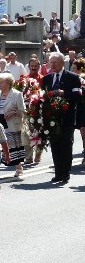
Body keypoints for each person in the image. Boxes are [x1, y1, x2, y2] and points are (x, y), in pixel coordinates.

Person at [41, 52, 82, 184]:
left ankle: (65, 172)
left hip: (67, 117)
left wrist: (64, 93)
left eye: (55, 62)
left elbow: (77, 95)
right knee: (55, 144)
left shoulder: (72, 77)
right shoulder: (46, 78)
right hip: (51, 117)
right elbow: (41, 96)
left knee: (65, 143)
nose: (52, 65)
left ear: (62, 63)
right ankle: (58, 173)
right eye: (50, 62)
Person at [0, 73, 26, 178]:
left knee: (13, 147)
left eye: (1, 83)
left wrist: (14, 112)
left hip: (12, 123)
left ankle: (18, 167)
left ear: (8, 84)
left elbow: (23, 112)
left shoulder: (17, 94)